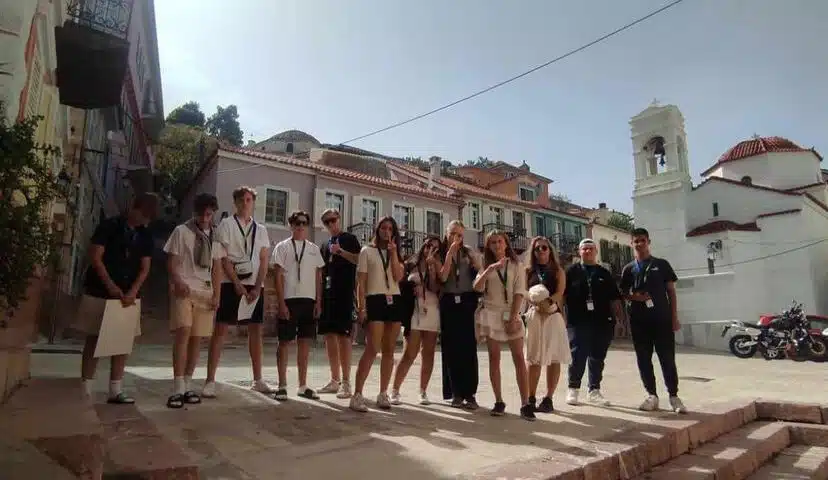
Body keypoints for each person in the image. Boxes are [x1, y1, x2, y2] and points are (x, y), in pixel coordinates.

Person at [75, 193, 159, 403]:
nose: (143, 220)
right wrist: (110, 285)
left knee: (122, 341)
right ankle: (86, 386)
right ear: (134, 208)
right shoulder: (110, 225)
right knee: (94, 339)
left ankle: (116, 388)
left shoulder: (145, 235)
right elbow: (96, 257)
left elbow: (145, 267)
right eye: (142, 214)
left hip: (128, 294)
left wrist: (133, 291)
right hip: (100, 290)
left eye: (147, 217)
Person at [202, 186, 273, 398]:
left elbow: (264, 259)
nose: (245, 203)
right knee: (221, 329)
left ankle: (258, 379)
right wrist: (236, 283)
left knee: (255, 330)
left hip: (254, 285)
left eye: (249, 200)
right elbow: (223, 257)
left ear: (253, 203)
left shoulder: (261, 230)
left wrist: (258, 286)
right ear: (235, 202)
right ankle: (210, 380)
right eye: (241, 200)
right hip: (230, 283)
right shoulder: (226, 224)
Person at [163, 193, 225, 409]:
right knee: (184, 332)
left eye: (209, 214)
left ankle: (188, 383)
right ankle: (178, 386)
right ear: (195, 212)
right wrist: (178, 281)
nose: (205, 219)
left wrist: (217, 295)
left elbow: (217, 268)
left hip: (204, 292)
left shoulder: (215, 236)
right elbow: (172, 262)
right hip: (185, 289)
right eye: (202, 214)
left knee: (197, 338)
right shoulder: (182, 231)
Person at [619, 227, 686, 413]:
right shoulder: (628, 269)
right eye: (636, 241)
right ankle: (652, 396)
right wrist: (636, 297)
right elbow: (623, 293)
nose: (640, 244)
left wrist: (674, 317)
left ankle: (674, 396)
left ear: (649, 242)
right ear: (631, 244)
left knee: (667, 358)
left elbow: (671, 292)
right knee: (643, 359)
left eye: (643, 240)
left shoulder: (661, 264)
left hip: (662, 320)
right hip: (639, 321)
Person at [473, 230, 534, 421]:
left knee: (519, 358)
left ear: (506, 244)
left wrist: (513, 318)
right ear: (489, 246)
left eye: (500, 241)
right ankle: (499, 401)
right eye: (493, 242)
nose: (497, 245)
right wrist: (489, 270)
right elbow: (477, 287)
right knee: (494, 358)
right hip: (491, 313)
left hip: (511, 313)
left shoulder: (517, 265)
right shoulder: (486, 265)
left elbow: (519, 292)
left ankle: (525, 403)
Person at [350, 217, 406, 412]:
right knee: (372, 348)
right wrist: (361, 307)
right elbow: (361, 283)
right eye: (383, 228)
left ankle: (383, 393)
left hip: (394, 299)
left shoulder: (395, 253)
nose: (386, 231)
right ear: (378, 229)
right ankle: (357, 394)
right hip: (374, 299)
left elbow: (398, 277)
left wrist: (393, 253)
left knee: (389, 350)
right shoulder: (367, 251)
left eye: (390, 228)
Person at [271, 211, 325, 401]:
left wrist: (318, 302)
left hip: (309, 300)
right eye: (297, 223)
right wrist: (281, 303)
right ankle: (282, 386)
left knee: (304, 342)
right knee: (284, 342)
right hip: (289, 300)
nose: (301, 226)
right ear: (291, 225)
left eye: (304, 223)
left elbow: (318, 277)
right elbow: (277, 276)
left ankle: (302, 386)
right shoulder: (282, 247)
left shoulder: (314, 249)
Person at [564, 238, 623, 407]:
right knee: (577, 354)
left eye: (591, 248)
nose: (588, 251)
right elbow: (562, 295)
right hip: (578, 321)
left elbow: (615, 299)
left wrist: (620, 320)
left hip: (602, 321)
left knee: (597, 356)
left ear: (596, 251)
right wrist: (562, 317)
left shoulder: (604, 273)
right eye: (584, 249)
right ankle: (573, 388)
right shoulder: (571, 272)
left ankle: (594, 390)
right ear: (579, 252)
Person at [390, 236, 442, 405]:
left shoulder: (439, 265)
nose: (431, 250)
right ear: (423, 246)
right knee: (409, 353)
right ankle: (395, 390)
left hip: (432, 310)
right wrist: (412, 287)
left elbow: (435, 287)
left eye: (435, 248)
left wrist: (432, 268)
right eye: (428, 245)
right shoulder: (410, 264)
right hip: (414, 311)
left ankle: (423, 391)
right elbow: (399, 283)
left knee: (428, 353)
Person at [317, 209, 361, 399]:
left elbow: (359, 260)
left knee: (344, 337)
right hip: (328, 295)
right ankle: (334, 380)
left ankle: (346, 382)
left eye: (333, 220)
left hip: (345, 294)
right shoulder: (324, 245)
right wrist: (318, 300)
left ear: (339, 219)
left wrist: (341, 252)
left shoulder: (350, 239)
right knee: (329, 336)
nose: (331, 224)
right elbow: (321, 273)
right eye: (326, 222)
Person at [437, 220, 481, 409]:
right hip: (448, 301)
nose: (456, 238)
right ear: (446, 234)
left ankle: (470, 393)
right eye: (453, 233)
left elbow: (479, 271)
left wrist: (475, 261)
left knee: (468, 348)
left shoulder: (468, 252)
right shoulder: (440, 252)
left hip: (467, 300)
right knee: (451, 349)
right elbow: (443, 276)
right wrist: (449, 254)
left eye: (460, 235)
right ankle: (455, 393)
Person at [524, 236, 570, 414]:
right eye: (537, 248)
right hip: (535, 316)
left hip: (553, 315)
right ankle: (530, 397)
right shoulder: (527, 271)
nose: (541, 251)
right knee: (533, 358)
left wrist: (547, 303)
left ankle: (548, 398)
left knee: (554, 358)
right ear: (533, 252)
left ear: (550, 250)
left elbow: (560, 292)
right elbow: (524, 291)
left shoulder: (558, 271)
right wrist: (535, 303)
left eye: (544, 247)